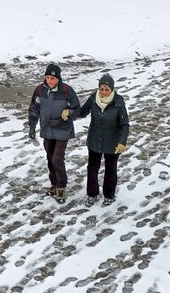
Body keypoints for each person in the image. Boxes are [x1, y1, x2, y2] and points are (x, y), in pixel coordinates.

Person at [66, 72, 131, 204]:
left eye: (107, 89)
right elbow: (83, 112)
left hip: (113, 141)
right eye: (101, 89)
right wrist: (70, 113)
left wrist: (122, 142)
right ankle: (92, 194)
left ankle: (109, 195)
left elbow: (125, 125)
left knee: (110, 169)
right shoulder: (93, 98)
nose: (104, 92)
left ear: (112, 89)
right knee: (92, 168)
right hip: (95, 139)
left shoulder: (118, 102)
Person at [26, 62, 79, 201]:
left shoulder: (67, 91)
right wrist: (32, 127)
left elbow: (76, 110)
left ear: (58, 79)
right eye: (48, 77)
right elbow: (34, 109)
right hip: (47, 130)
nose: (50, 80)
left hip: (63, 130)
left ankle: (61, 187)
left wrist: (62, 119)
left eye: (53, 78)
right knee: (50, 158)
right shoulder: (39, 90)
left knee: (57, 158)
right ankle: (54, 185)